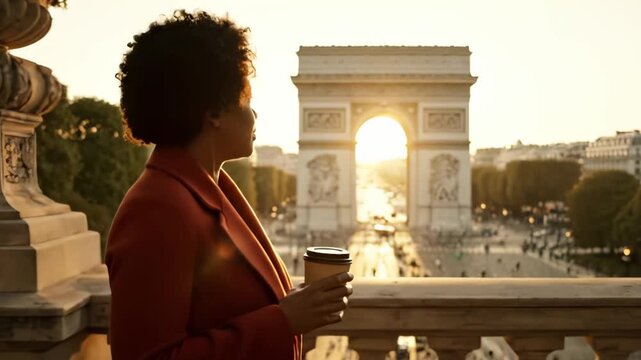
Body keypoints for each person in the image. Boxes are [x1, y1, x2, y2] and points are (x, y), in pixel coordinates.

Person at [105, 10, 353, 360]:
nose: (255, 115)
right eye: (247, 101)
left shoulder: (204, 189)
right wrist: (283, 320)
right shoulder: (157, 208)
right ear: (214, 113)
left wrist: (294, 305)